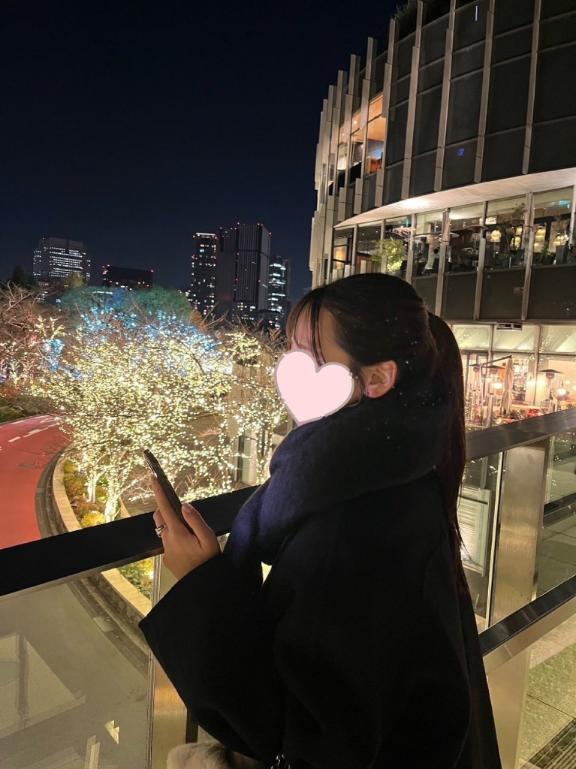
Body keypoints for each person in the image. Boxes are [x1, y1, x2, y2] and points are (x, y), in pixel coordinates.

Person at [139, 274, 502, 769]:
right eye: (291, 350)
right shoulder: (398, 474)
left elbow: (298, 730)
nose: (292, 369)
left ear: (378, 379)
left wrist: (199, 585)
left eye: (312, 355)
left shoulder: (350, 527)